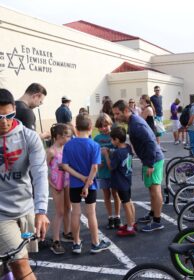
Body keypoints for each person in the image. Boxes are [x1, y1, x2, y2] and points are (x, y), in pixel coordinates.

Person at [0, 88, 49, 280]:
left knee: (16, 262)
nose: (4, 122)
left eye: (8, 115)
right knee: (21, 265)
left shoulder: (29, 137)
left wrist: (41, 211)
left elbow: (39, 173)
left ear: (14, 109)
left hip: (26, 209)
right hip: (2, 215)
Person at [112, 100, 165, 232]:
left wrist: (150, 163)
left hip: (153, 160)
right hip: (149, 159)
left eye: (117, 114)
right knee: (151, 190)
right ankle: (152, 214)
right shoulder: (133, 121)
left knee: (155, 190)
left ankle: (157, 221)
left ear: (126, 111)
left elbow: (151, 143)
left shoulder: (136, 124)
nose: (115, 117)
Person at [62, 114, 111, 254]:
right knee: (91, 214)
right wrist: (86, 183)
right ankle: (95, 243)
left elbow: (65, 166)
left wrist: (81, 179)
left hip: (74, 184)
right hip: (90, 184)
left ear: (76, 128)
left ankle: (76, 243)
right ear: (90, 128)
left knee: (75, 213)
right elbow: (94, 168)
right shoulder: (94, 145)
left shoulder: (68, 145)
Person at [102, 127, 136, 236]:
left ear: (116, 140)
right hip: (127, 178)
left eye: (112, 139)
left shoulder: (117, 152)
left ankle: (130, 228)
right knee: (129, 201)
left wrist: (107, 155)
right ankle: (132, 222)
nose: (111, 142)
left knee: (126, 204)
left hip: (120, 181)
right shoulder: (128, 147)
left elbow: (111, 166)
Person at [47, 124, 73, 255]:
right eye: (68, 136)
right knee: (60, 212)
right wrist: (52, 184)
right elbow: (44, 170)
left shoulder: (65, 148)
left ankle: (67, 232)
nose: (70, 138)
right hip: (56, 184)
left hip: (67, 181)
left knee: (68, 208)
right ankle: (55, 241)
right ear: (58, 136)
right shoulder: (51, 151)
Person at [94, 113, 122, 230]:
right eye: (101, 126)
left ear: (110, 124)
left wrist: (109, 152)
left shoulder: (114, 135)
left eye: (105, 125)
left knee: (115, 194)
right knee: (106, 194)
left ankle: (117, 216)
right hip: (103, 171)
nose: (103, 128)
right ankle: (110, 217)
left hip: (114, 170)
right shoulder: (96, 139)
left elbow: (119, 150)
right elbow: (94, 154)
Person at [150, 85, 166, 152]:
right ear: (154, 91)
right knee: (157, 132)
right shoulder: (152, 98)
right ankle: (157, 147)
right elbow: (151, 106)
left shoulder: (161, 97)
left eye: (158, 90)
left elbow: (160, 106)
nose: (157, 91)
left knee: (159, 132)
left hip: (161, 116)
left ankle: (158, 146)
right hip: (155, 117)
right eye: (156, 90)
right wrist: (154, 115)